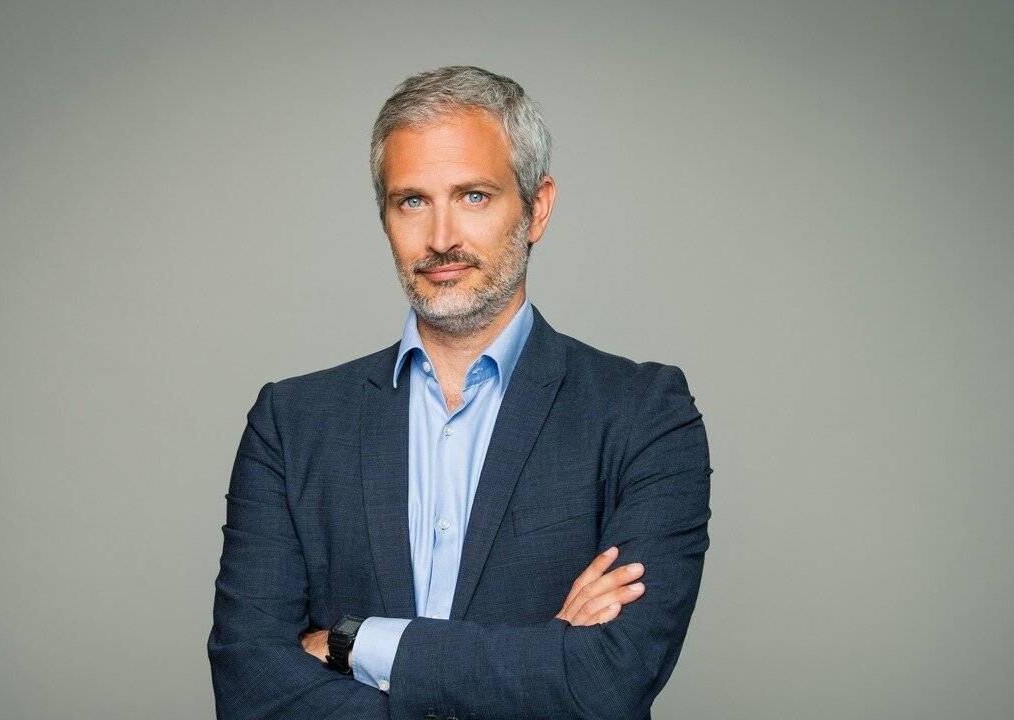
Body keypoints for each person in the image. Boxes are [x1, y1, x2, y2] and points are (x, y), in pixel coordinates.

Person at [207, 65, 713, 720]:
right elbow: (250, 688)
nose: (441, 237)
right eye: (412, 201)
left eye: (473, 196)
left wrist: (357, 642)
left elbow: (611, 677)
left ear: (537, 208)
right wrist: (545, 655)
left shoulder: (643, 413)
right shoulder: (292, 423)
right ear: (385, 217)